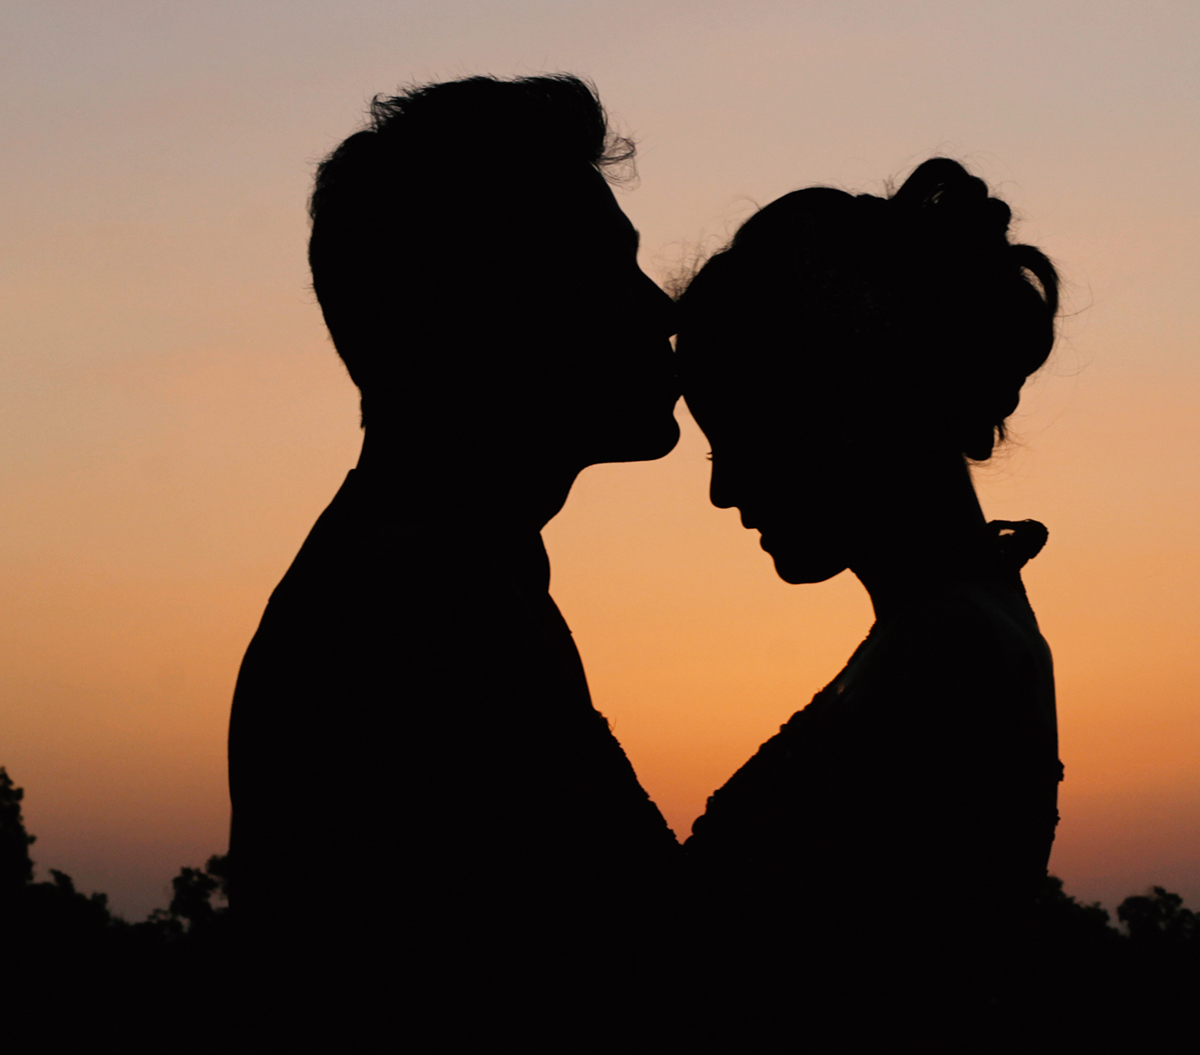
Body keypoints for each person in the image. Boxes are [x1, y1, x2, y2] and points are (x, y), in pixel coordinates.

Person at [227, 75, 682, 1043]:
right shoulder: (416, 618)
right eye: (608, 270)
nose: (661, 310)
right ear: (488, 310)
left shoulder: (425, 577)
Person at [676, 159, 1062, 1045]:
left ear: (842, 408)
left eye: (739, 441)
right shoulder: (963, 624)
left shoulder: (951, 650)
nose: (725, 493)